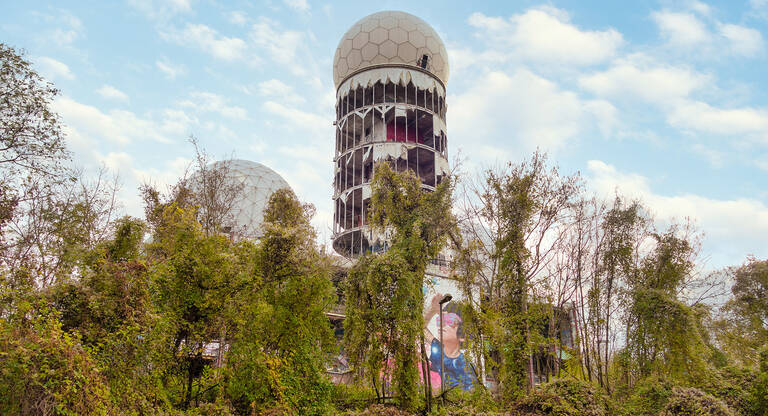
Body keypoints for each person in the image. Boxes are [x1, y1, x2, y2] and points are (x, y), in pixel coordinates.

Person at [424, 293, 473, 391]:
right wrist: (433, 310)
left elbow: (471, 392)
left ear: (462, 335)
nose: (442, 325)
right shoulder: (439, 350)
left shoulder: (466, 365)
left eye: (450, 320)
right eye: (441, 320)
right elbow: (421, 328)